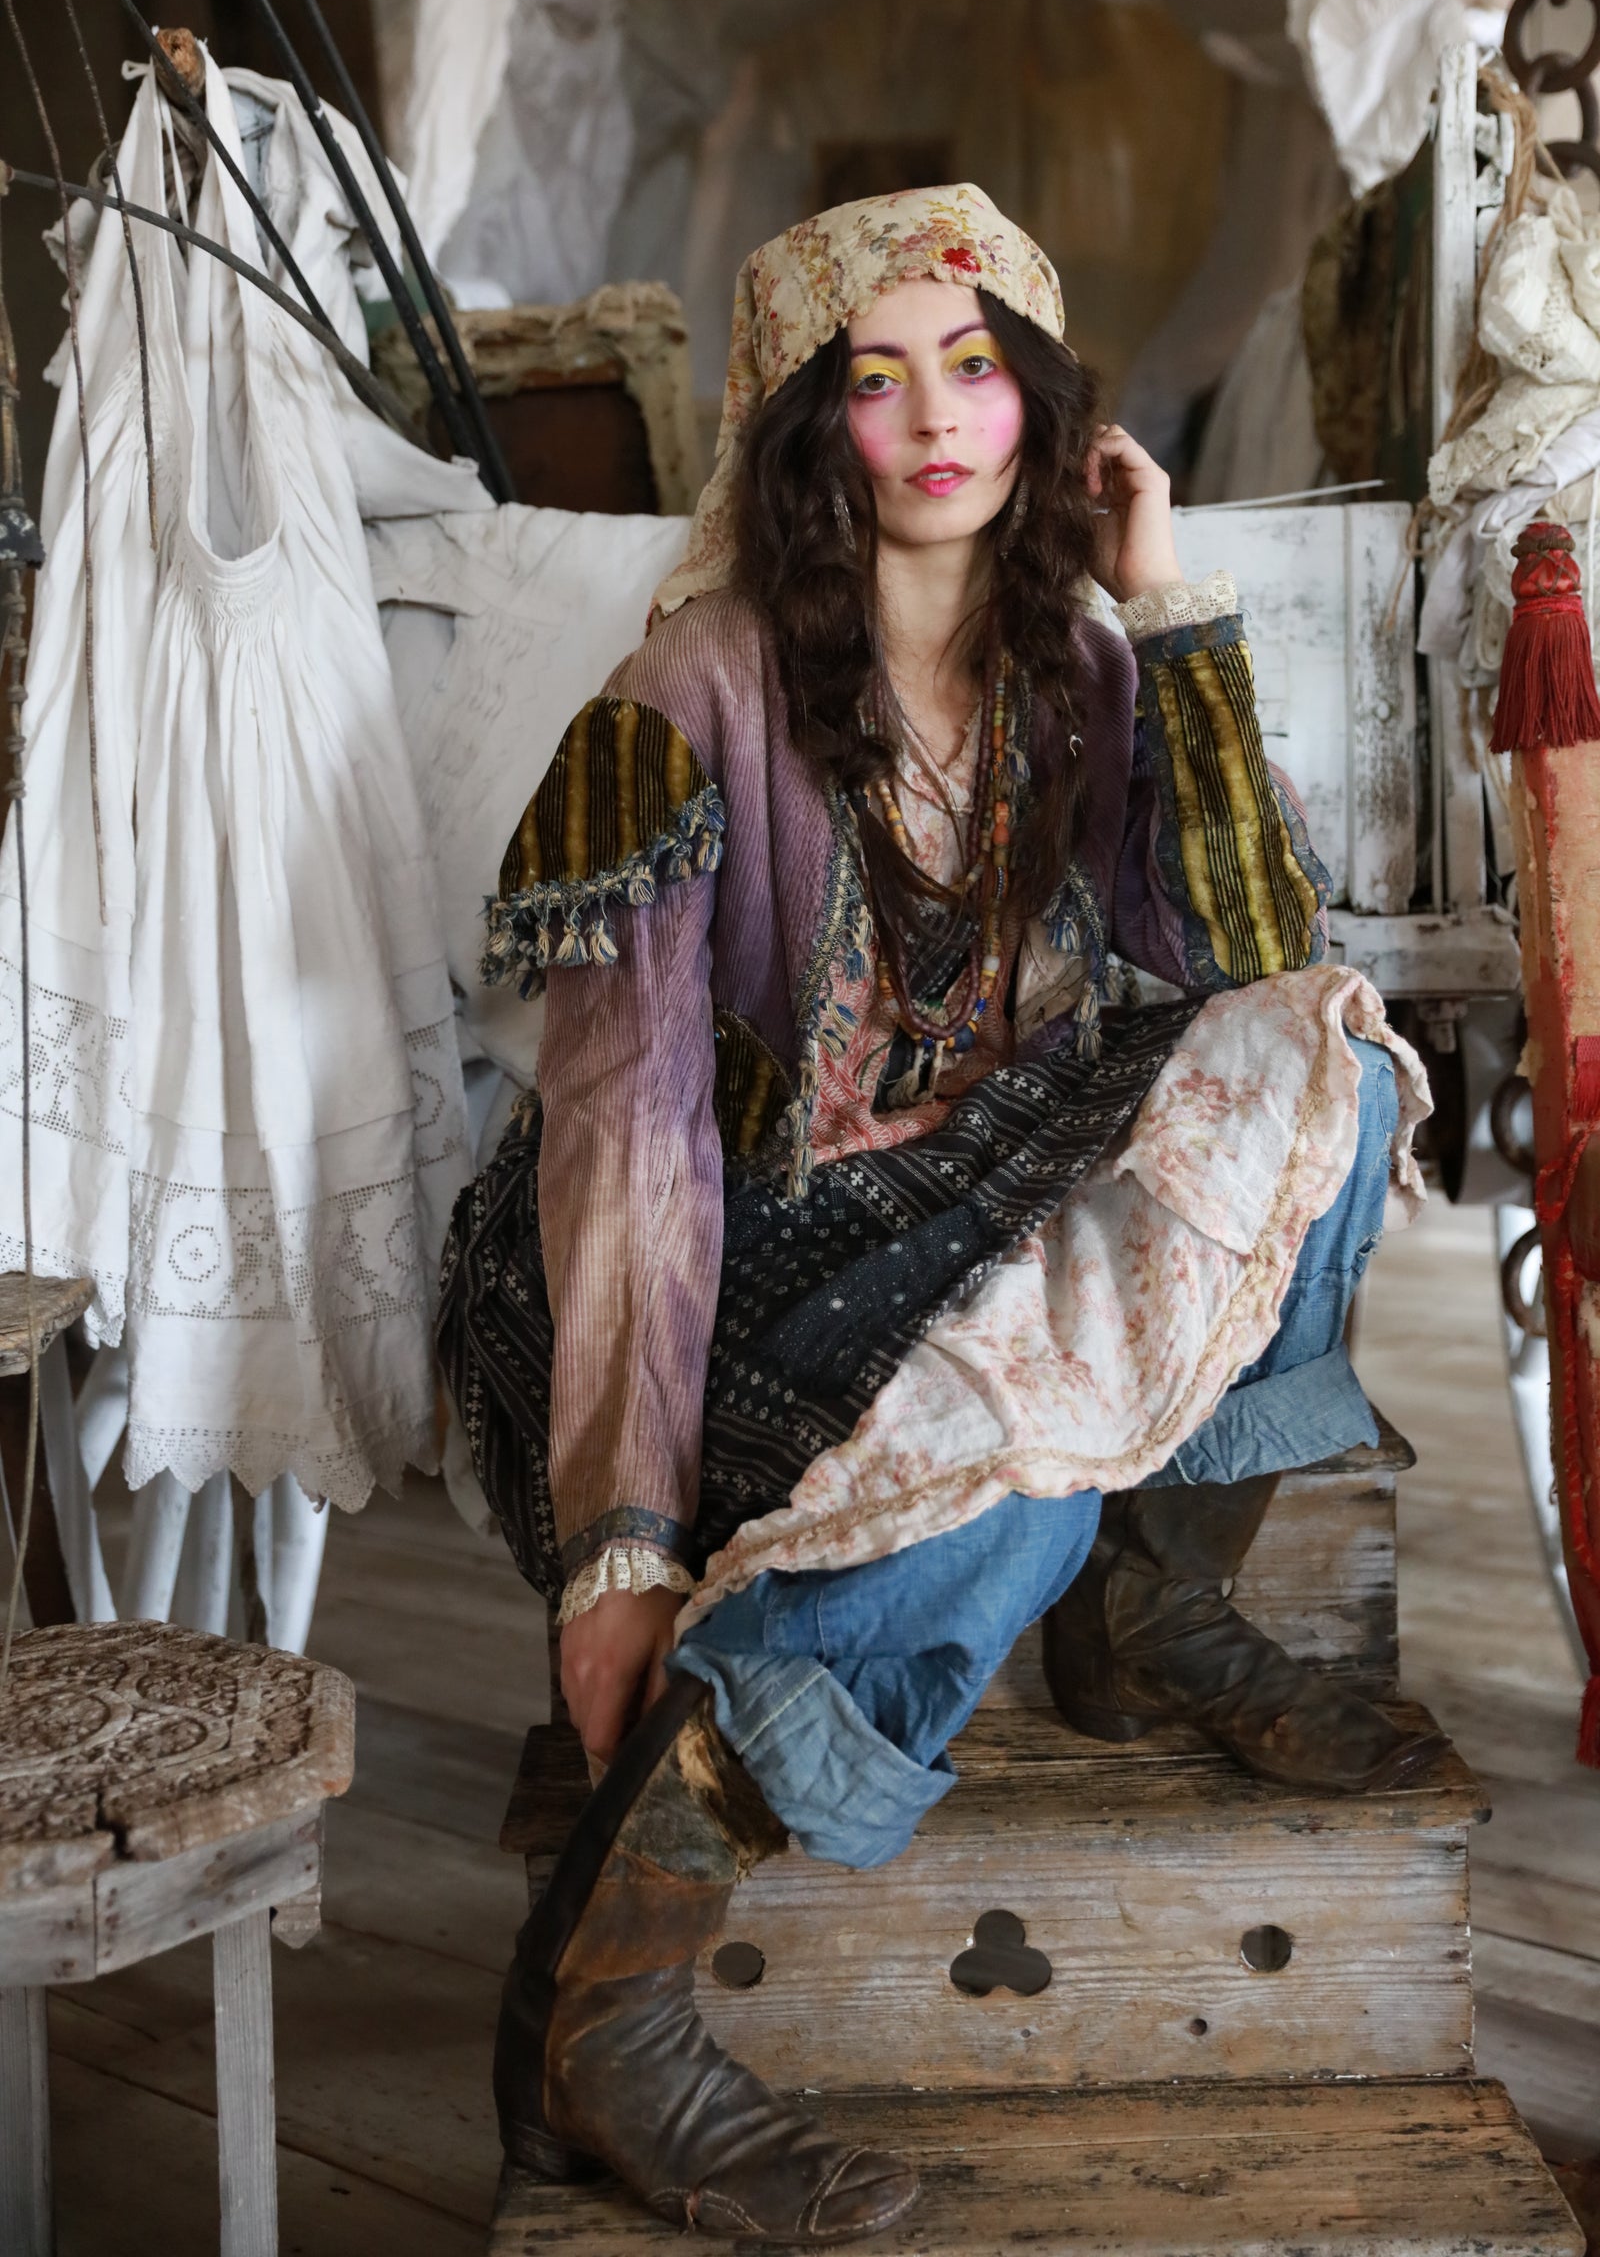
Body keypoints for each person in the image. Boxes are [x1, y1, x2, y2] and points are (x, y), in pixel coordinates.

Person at [438, 184, 1438, 2245]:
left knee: (1318, 1062)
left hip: (983, 1190)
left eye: (974, 366)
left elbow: (1251, 955)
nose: (934, 421)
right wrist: (619, 1541)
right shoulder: (689, 688)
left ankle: (1152, 1617)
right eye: (874, 380)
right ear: (809, 425)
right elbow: (627, 1131)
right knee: (1019, 1491)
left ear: (1039, 402)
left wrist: (1169, 607)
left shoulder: (1077, 665)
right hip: (739, 1248)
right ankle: (603, 2013)